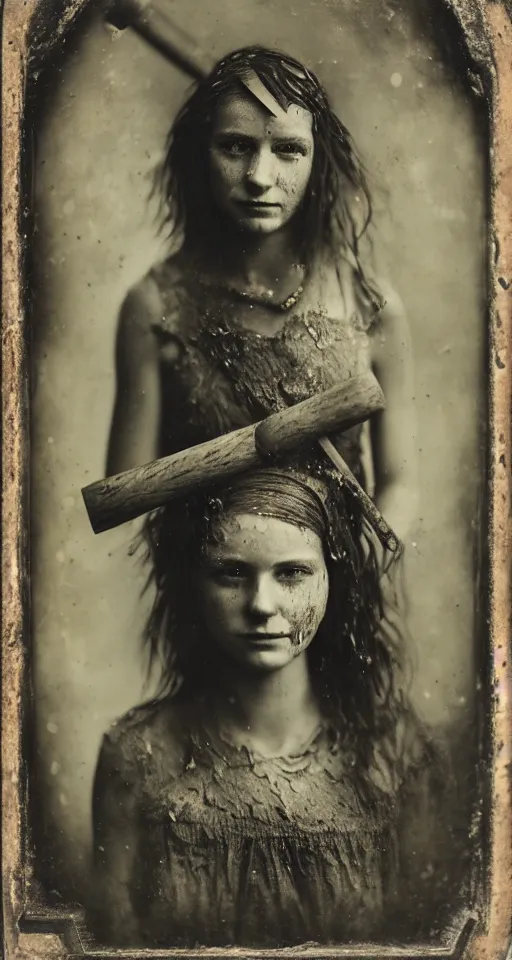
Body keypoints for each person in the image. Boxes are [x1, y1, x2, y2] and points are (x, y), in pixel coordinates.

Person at [90, 464, 460, 948]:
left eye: (292, 573)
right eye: (232, 573)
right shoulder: (138, 756)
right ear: (192, 584)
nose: (261, 605)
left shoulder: (401, 757)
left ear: (333, 577)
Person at [106, 46, 418, 542]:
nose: (259, 177)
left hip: (336, 592)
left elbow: (400, 482)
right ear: (200, 153)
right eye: (235, 147)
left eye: (289, 150)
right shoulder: (156, 307)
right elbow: (125, 502)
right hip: (211, 594)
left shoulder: (369, 304)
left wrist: (353, 575)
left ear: (319, 159)